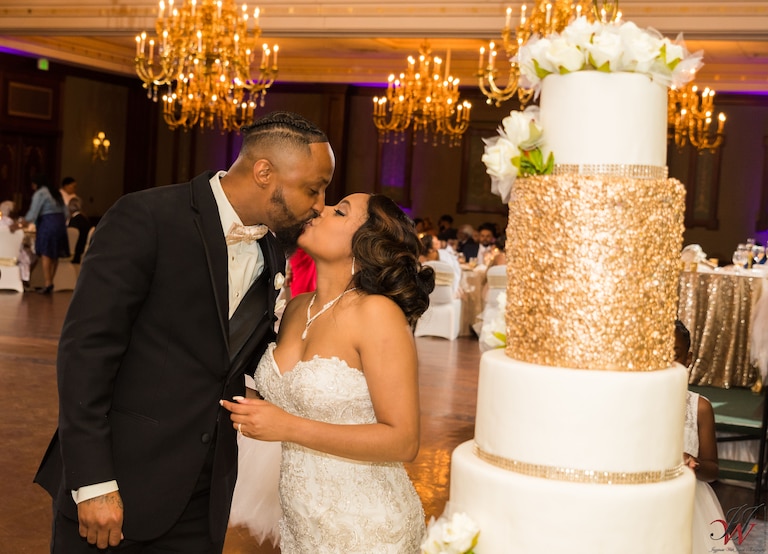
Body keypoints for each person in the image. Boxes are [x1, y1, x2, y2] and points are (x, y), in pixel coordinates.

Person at [33, 111, 336, 553]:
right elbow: (85, 353)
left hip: (204, 492)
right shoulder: (147, 217)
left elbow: (231, 354)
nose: (320, 203)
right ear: (264, 171)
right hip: (119, 479)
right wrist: (93, 482)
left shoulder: (272, 248)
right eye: (313, 188)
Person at [222, 193, 434, 553]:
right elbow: (285, 400)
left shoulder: (377, 314)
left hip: (367, 527)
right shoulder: (297, 307)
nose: (320, 209)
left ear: (365, 243)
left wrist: (287, 427)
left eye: (340, 211)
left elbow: (403, 440)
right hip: (302, 524)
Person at [675, 320, 735, 553]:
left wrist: (694, 462)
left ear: (688, 359)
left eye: (675, 355)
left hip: (691, 503)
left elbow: (712, 470)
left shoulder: (699, 408)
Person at [23, 174, 69, 294]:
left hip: (48, 222)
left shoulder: (41, 193)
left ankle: (48, 282)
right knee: (55, 253)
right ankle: (50, 281)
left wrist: (23, 221)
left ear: (36, 184)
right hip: (60, 223)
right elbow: (66, 212)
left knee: (46, 252)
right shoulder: (55, 193)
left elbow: (33, 212)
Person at [0, 199, 36, 288]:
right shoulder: (14, 226)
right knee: (33, 255)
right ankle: (25, 280)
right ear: (11, 212)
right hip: (13, 256)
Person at [67, 197, 92, 263]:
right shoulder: (85, 219)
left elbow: (71, 238)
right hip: (82, 249)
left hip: (75, 252)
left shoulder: (74, 220)